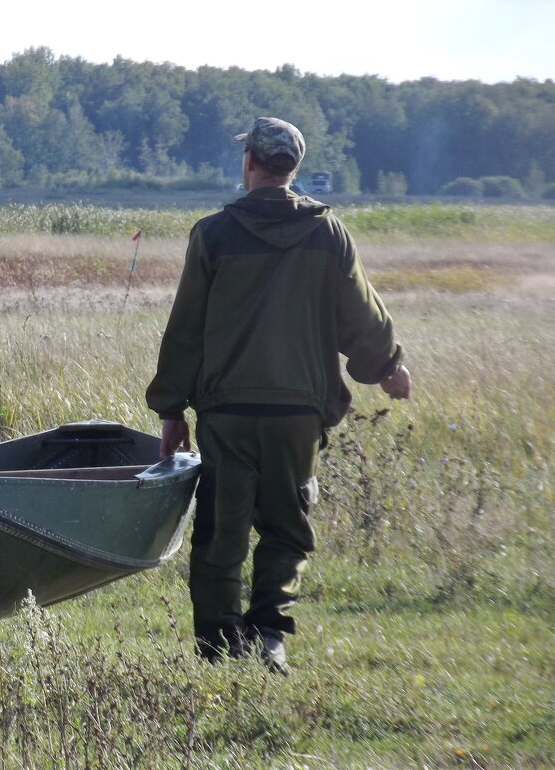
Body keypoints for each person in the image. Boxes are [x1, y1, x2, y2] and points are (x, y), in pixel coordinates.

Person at [146, 117, 411, 673]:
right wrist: (387, 369)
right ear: (293, 167)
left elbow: (186, 328)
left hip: (227, 412)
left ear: (250, 164)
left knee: (222, 531)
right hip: (298, 413)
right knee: (288, 527)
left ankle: (219, 647)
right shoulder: (328, 233)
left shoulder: (213, 235)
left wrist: (171, 410)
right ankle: (269, 635)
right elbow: (361, 313)